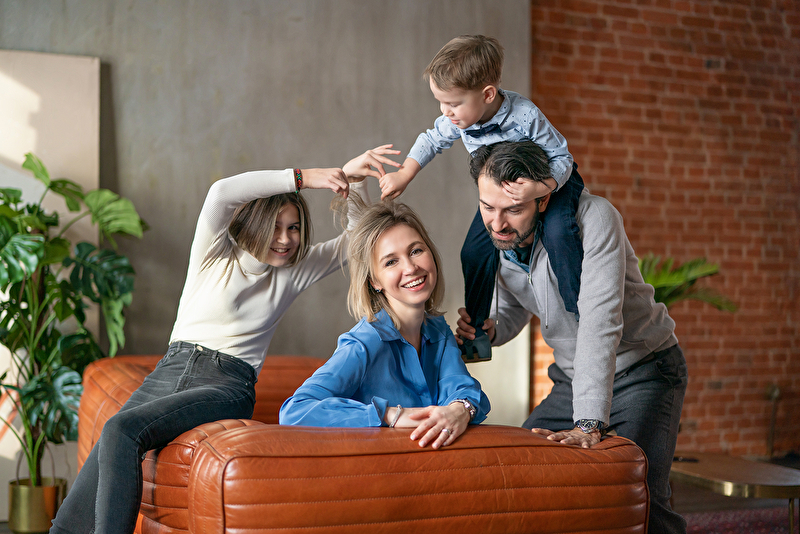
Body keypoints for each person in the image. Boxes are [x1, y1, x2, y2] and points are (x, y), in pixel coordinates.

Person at [49, 145, 401, 534]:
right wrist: (304, 178)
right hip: (170, 370)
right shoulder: (215, 252)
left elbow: (356, 240)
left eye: (294, 228)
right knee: (111, 439)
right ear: (256, 223)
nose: (285, 239)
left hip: (227, 384)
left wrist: (352, 183)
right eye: (276, 226)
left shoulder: (294, 272)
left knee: (122, 431)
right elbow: (222, 193)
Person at [456, 140, 688, 534]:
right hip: (571, 379)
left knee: (636, 493)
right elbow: (516, 306)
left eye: (513, 209)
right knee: (523, 469)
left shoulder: (594, 219)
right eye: (487, 207)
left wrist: (588, 423)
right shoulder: (502, 238)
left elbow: (600, 320)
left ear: (543, 198)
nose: (496, 223)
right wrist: (493, 328)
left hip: (643, 371)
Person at [379, 34, 584, 362]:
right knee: (473, 252)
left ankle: (580, 314)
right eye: (440, 102)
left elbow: (562, 158)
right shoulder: (458, 120)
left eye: (453, 103)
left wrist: (540, 187)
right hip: (504, 196)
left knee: (559, 234)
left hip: (552, 185)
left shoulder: (524, 115)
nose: (445, 112)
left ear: (488, 94)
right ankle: (475, 335)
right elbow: (431, 140)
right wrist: (404, 174)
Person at [280, 201, 490, 449]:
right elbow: (295, 411)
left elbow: (463, 388)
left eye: (416, 251)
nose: (411, 268)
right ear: (374, 281)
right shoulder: (364, 343)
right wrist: (390, 414)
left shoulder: (438, 330)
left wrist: (460, 410)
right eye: (391, 262)